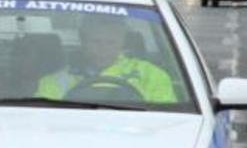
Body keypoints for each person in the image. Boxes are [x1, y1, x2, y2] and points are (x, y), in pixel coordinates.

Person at [36, 15, 177, 104]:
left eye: (111, 42)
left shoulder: (152, 75)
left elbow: (166, 120)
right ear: (83, 41)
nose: (103, 48)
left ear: (123, 43)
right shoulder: (54, 81)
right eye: (95, 41)